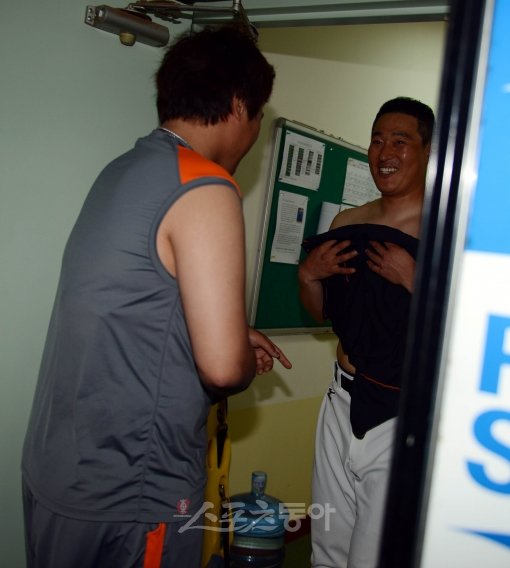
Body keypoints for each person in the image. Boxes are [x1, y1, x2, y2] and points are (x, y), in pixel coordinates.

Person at [21, 25, 291, 568]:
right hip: (133, 495)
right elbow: (222, 369)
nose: (255, 132)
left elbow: (133, 306)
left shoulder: (124, 170)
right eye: (259, 115)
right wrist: (237, 352)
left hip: (60, 474)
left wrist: (228, 329)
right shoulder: (206, 187)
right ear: (239, 105)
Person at [298, 97, 435, 568]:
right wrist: (309, 277)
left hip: (402, 410)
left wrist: (415, 278)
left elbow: (467, 326)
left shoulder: (450, 232)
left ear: (429, 151)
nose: (385, 152)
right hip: (341, 398)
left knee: (374, 554)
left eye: (400, 141)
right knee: (327, 547)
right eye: (377, 140)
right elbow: (323, 314)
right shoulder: (347, 223)